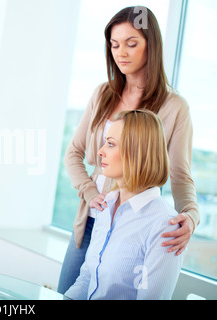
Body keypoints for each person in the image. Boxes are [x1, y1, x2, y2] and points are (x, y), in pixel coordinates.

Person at [57, 6, 199, 294]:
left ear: (151, 45)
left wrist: (192, 216)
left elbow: (180, 176)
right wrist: (89, 192)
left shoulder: (174, 107)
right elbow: (73, 154)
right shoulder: (103, 93)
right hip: (91, 221)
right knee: (70, 290)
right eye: (114, 44)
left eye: (131, 43)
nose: (121, 52)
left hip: (132, 225)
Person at [65, 109, 184, 300]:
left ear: (136, 152)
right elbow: (87, 278)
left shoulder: (164, 225)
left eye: (111, 144)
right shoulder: (105, 206)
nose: (100, 151)